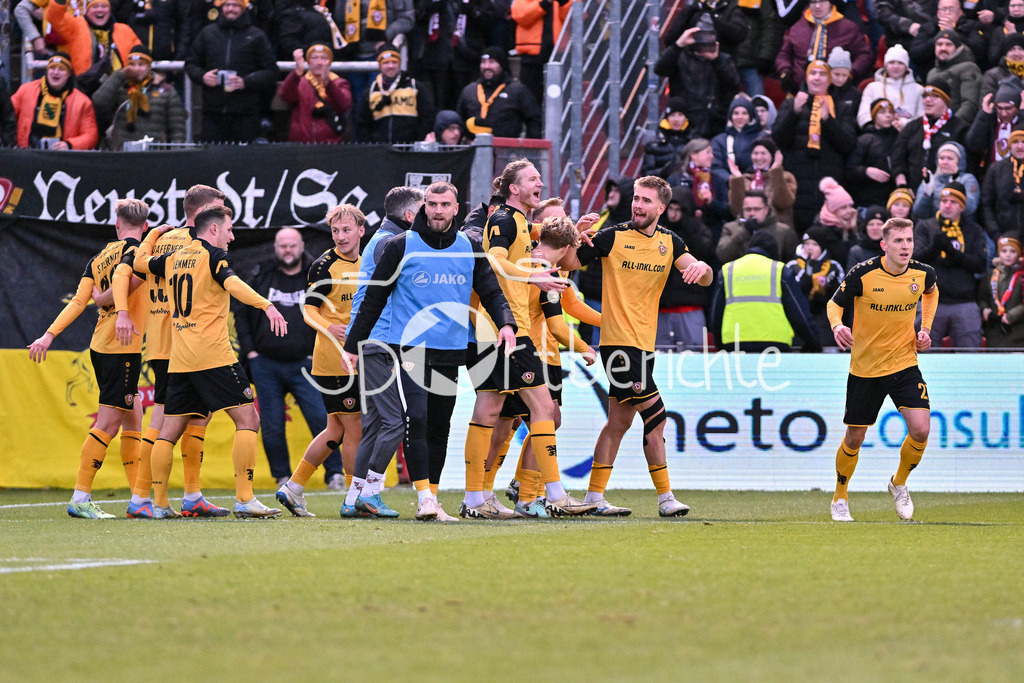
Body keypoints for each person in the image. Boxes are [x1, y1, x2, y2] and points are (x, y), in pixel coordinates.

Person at [344, 181, 517, 521]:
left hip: (451, 349)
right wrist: (353, 346)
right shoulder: (400, 245)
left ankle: (432, 499)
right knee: (417, 418)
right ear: (424, 207)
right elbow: (374, 300)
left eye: (445, 204)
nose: (438, 210)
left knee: (440, 425)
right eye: (433, 204)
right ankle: (423, 497)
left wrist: (506, 323)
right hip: (410, 349)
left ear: (456, 208)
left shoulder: (470, 247)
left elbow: (492, 291)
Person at [571, 175, 714, 516]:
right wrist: (574, 238)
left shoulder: (670, 242)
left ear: (661, 208)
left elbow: (702, 277)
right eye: (636, 198)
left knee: (618, 423)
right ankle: (666, 498)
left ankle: (593, 497)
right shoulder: (613, 236)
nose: (637, 205)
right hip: (618, 345)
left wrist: (703, 267)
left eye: (646, 200)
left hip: (643, 345)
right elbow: (569, 264)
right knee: (657, 415)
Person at [134, 204, 288, 519]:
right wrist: (266, 305)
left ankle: (159, 504)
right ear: (214, 229)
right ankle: (245, 499)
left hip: (179, 358)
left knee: (168, 431)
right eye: (229, 229)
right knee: (249, 421)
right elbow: (233, 284)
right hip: (213, 354)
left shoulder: (174, 258)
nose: (231, 237)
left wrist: (151, 235)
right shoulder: (213, 257)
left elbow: (139, 262)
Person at [462, 160, 597, 518]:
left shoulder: (521, 221)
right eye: (532, 179)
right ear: (514, 189)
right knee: (544, 410)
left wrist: (573, 231)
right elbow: (493, 260)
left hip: (495, 330)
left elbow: (547, 233)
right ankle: (553, 494)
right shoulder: (505, 220)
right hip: (509, 329)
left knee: (490, 411)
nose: (540, 182)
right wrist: (531, 277)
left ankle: (476, 498)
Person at [27, 199, 151, 519]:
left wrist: (49, 334)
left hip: (103, 344)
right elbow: (126, 282)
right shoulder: (141, 253)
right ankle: (81, 497)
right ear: (146, 226)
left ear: (117, 223)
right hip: (120, 346)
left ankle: (139, 501)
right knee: (108, 423)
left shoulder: (98, 259)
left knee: (133, 416)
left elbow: (80, 302)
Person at [127, 184, 228, 519]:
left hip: (161, 338)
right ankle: (143, 497)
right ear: (206, 210)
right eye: (220, 208)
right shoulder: (199, 243)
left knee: (197, 415)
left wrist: (151, 234)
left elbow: (137, 269)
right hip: (185, 341)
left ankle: (191, 495)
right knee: (166, 418)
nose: (225, 216)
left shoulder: (161, 238)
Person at [826, 217, 938, 522]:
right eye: (898, 241)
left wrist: (925, 328)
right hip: (865, 368)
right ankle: (840, 497)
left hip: (904, 363)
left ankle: (899, 482)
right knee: (854, 438)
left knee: (921, 429)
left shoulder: (922, 273)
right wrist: (838, 326)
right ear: (884, 245)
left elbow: (931, 292)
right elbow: (834, 304)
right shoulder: (863, 274)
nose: (905, 247)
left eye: (909, 240)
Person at [234, 226, 344, 490]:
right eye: (282, 245)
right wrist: (250, 352)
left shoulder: (315, 274)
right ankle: (282, 476)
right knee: (271, 425)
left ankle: (335, 475)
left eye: (292, 245)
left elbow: (329, 311)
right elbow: (242, 312)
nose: (288, 250)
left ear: (301, 245)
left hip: (305, 363)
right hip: (266, 364)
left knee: (322, 420)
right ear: (275, 247)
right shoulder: (261, 274)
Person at [341, 187, 428, 518]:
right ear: (409, 216)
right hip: (380, 341)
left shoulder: (384, 239)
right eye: (424, 211)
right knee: (395, 421)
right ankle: (372, 492)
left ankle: (353, 499)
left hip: (373, 340)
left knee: (377, 422)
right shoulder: (389, 244)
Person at [275, 207, 365, 517]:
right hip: (333, 361)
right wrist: (330, 327)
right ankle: (354, 499)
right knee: (355, 428)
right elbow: (308, 310)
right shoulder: (324, 265)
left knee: (335, 430)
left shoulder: (367, 263)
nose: (340, 236)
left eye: (346, 230)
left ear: (361, 231)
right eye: (336, 231)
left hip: (353, 358)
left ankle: (293, 487)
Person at [773, 60, 857, 233]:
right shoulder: (791, 104)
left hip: (828, 183)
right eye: (813, 73)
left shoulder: (841, 108)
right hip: (797, 183)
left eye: (822, 74)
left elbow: (848, 144)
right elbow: (778, 139)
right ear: (806, 77)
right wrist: (794, 112)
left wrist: (828, 120)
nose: (817, 78)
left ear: (829, 80)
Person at [184, 0, 277, 143]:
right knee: (212, 161)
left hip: (245, 115)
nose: (230, 9)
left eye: (235, 5)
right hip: (212, 114)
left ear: (243, 8)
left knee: (243, 162)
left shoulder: (257, 36)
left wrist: (246, 82)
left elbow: (270, 71)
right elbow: (191, 63)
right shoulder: (208, 33)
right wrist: (202, 76)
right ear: (221, 7)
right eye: (227, 5)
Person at [711, 231, 820, 351]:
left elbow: (716, 313)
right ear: (774, 251)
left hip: (734, 343)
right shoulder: (779, 270)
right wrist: (813, 341)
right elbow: (798, 312)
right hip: (775, 343)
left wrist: (719, 344)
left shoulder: (728, 270)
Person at [912, 181, 986, 347]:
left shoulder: (973, 229)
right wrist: (934, 247)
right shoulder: (926, 226)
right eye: (944, 201)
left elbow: (980, 264)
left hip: (963, 301)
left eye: (953, 202)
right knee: (923, 355)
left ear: (962, 206)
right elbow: (915, 261)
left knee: (969, 354)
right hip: (929, 301)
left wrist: (954, 253)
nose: (947, 206)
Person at [653, 22, 741, 138]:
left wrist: (716, 60)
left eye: (708, 37)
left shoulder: (722, 59)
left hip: (716, 121)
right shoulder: (679, 57)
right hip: (685, 121)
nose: (703, 42)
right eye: (699, 37)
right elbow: (660, 69)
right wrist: (678, 45)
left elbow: (733, 84)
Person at [91, 45, 188, 150]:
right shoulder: (121, 86)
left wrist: (176, 154)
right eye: (132, 64)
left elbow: (177, 128)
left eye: (141, 65)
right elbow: (98, 102)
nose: (136, 69)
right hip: (122, 151)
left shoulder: (167, 91)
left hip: (155, 153)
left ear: (149, 66)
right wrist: (119, 75)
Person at [657, 187, 715, 349]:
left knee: (693, 356)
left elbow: (705, 251)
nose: (673, 214)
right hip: (662, 307)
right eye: (670, 209)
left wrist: (689, 225)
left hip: (690, 305)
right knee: (660, 359)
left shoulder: (697, 230)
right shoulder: (656, 231)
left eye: (679, 210)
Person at [775, 0, 873, 95]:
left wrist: (850, 74)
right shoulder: (797, 28)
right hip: (801, 91)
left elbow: (865, 55)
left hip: (838, 93)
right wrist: (785, 72)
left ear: (830, 2)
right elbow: (784, 55)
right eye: (813, 2)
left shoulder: (848, 28)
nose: (817, 6)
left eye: (822, 1)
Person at [891, 76, 970, 191]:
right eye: (925, 96)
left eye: (935, 96)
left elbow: (966, 165)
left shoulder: (960, 128)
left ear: (946, 100)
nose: (928, 100)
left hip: (946, 195)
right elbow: (898, 158)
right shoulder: (912, 127)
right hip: (912, 192)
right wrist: (902, 186)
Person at [411, 0, 493, 111]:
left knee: (464, 102)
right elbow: (417, 18)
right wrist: (429, 8)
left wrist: (473, 11)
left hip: (465, 57)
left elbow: (488, 22)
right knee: (439, 103)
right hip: (437, 58)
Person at [11, 52, 99, 150]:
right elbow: (7, 116)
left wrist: (70, 145)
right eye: (52, 68)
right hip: (26, 155)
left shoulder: (83, 102)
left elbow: (91, 135)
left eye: (61, 69)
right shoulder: (26, 91)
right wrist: (10, 142)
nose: (56, 72)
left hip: (61, 159)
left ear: (69, 74)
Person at [456, 46, 541, 138]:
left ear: (502, 65)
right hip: (474, 148)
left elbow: (534, 120)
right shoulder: (470, 90)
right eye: (484, 62)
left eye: (492, 62)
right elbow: (459, 121)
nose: (487, 66)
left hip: (508, 149)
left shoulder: (517, 90)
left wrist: (528, 148)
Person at [356, 44, 435, 143]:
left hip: (409, 152)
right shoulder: (371, 91)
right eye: (386, 63)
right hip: (381, 152)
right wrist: (372, 146)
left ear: (399, 64)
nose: (391, 66)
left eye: (394, 62)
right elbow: (362, 123)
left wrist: (417, 143)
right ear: (380, 66)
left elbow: (427, 117)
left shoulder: (415, 87)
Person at [44, 0, 141, 78]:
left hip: (120, 89)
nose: (100, 10)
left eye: (104, 6)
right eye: (95, 7)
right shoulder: (76, 26)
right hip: (84, 88)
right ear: (87, 11)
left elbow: (141, 57)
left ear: (109, 10)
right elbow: (55, 17)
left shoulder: (125, 30)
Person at [278, 44, 352, 144]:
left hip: (331, 144)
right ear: (308, 62)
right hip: (301, 144)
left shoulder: (339, 83)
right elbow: (286, 96)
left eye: (324, 58)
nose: (319, 62)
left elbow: (343, 106)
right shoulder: (299, 82)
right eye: (315, 58)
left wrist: (328, 84)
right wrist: (296, 73)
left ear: (329, 62)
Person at [786, 226, 846, 347]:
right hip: (800, 320)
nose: (809, 248)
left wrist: (829, 286)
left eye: (814, 244)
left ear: (822, 246)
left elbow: (842, 296)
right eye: (807, 243)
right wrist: (807, 276)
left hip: (825, 322)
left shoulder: (834, 266)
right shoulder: (792, 266)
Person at [510, 0, 572, 106]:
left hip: (560, 52)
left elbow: (576, 19)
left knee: (562, 99)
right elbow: (520, 15)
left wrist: (563, 3)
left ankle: (561, 122)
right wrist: (543, 3)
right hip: (531, 56)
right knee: (531, 99)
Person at [727, 137, 797, 230]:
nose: (759, 157)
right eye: (755, 153)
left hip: (777, 231)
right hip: (748, 231)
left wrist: (776, 171)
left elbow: (783, 204)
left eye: (763, 153)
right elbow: (736, 211)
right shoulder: (744, 179)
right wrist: (737, 179)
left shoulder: (785, 177)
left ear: (772, 156)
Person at [717, 189, 800, 264]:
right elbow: (722, 255)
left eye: (756, 209)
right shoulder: (730, 228)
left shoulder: (783, 231)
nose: (752, 213)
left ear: (766, 209)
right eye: (748, 209)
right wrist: (744, 231)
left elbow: (791, 262)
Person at [909, 0, 986, 74]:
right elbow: (915, 54)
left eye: (952, 9)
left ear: (960, 12)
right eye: (943, 9)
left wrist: (952, 33)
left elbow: (978, 51)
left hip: (963, 73)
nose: (947, 12)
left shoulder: (972, 26)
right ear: (938, 12)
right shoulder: (927, 27)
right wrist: (940, 37)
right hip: (932, 74)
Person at [857, 44, 924, 130]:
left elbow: (922, 117)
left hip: (908, 134)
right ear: (886, 66)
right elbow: (863, 115)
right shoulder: (872, 87)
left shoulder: (918, 90)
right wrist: (875, 126)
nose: (896, 66)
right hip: (878, 134)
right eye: (891, 63)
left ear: (906, 67)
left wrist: (904, 123)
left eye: (900, 63)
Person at [711, 95, 762, 206]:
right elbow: (716, 167)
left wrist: (746, 179)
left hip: (755, 186)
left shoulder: (761, 137)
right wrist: (732, 180)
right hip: (727, 188)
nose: (740, 117)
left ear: (751, 116)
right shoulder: (719, 140)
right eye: (736, 113)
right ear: (730, 116)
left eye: (744, 113)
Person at [925, 29, 983, 124]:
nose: (943, 48)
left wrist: (951, 125)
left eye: (948, 44)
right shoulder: (932, 73)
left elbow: (969, 104)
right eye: (939, 44)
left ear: (958, 48)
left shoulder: (968, 68)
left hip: (958, 127)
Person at [849, 98, 898, 208]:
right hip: (868, 200)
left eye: (891, 112)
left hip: (894, 199)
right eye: (882, 112)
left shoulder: (899, 137)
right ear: (874, 116)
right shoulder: (864, 140)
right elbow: (850, 169)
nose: (888, 115)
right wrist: (866, 171)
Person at [912, 141, 979, 220]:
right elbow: (918, 212)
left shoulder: (968, 179)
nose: (945, 162)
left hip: (960, 228)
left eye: (950, 158)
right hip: (933, 228)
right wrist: (927, 194)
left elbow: (970, 209)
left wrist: (955, 185)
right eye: (941, 158)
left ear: (959, 161)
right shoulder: (931, 179)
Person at [964, 77, 1024, 166]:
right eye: (999, 108)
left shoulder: (1021, 118)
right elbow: (973, 145)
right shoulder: (991, 119)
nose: (1003, 113)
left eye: (1008, 108)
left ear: (1018, 106)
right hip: (993, 173)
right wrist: (983, 116)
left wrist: (1022, 113)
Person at [980, 235, 1024, 347]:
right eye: (1004, 251)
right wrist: (984, 309)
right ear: (999, 253)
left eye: (1013, 251)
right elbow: (982, 297)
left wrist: (1011, 316)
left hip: (1018, 334)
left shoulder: (1021, 275)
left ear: (1018, 254)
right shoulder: (991, 274)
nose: (1008, 254)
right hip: (994, 334)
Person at [980, 129, 1024, 238]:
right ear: (1009, 145)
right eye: (1015, 142)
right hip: (1003, 237)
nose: (1020, 146)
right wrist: (995, 233)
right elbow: (987, 204)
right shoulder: (996, 169)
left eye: (1023, 142)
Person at [809, 176, 859, 266]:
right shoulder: (820, 231)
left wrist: (854, 231)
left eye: (850, 206)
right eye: (843, 207)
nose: (849, 211)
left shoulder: (856, 226)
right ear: (832, 210)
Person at [640, 97, 694, 179]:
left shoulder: (694, 141)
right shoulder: (654, 143)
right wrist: (665, 171)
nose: (676, 119)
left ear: (685, 117)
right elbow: (646, 174)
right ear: (667, 118)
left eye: (680, 115)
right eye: (672, 115)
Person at [847, 205, 888, 270]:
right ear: (865, 227)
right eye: (871, 224)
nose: (875, 228)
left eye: (879, 224)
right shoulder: (856, 252)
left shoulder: (892, 250)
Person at [826, 47, 862, 117]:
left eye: (844, 75)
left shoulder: (856, 94)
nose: (840, 79)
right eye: (837, 74)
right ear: (829, 72)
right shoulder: (822, 90)